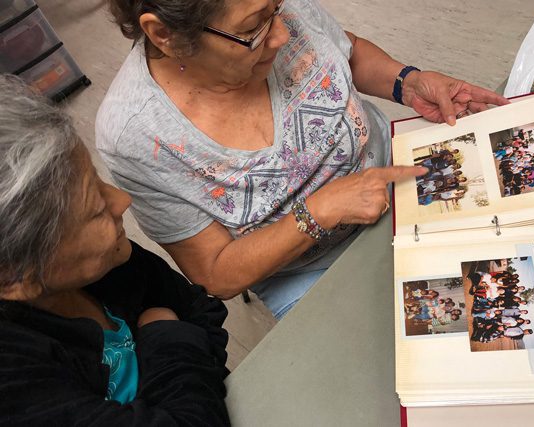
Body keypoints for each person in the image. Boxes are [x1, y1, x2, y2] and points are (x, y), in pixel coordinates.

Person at [97, 0, 508, 319]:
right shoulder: (136, 135)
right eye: (253, 28)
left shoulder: (269, 11)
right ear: (164, 34)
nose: (280, 35)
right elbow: (215, 273)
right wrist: (320, 210)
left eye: (279, 8)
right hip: (310, 270)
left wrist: (408, 82)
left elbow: (348, 52)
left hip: (398, 173)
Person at [0, 75, 230, 425]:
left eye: (96, 179)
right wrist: (166, 334)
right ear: (13, 277)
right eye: (95, 209)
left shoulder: (108, 261)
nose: (122, 201)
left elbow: (202, 309)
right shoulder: (16, 384)